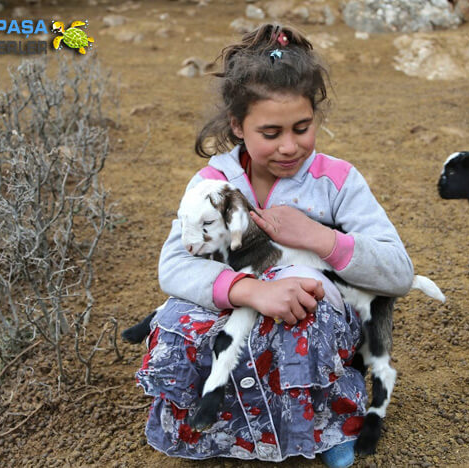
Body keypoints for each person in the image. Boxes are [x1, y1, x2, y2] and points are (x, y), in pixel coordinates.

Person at [135, 23, 414, 467]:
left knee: (305, 318)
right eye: (270, 133)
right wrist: (251, 291)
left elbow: (399, 272)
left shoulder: (337, 181)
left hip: (312, 310)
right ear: (237, 126)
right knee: (175, 321)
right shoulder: (215, 182)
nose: (289, 146)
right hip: (242, 298)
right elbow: (172, 265)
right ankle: (218, 431)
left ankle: (331, 422)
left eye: (302, 127)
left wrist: (319, 238)